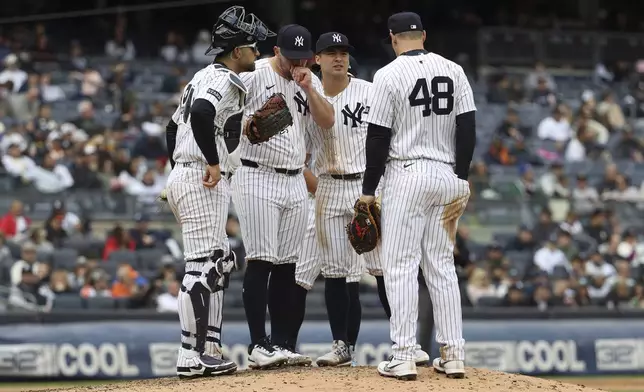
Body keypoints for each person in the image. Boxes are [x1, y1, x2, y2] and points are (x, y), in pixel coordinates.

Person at [293, 32, 430, 367]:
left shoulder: (371, 92)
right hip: (327, 186)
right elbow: (300, 155)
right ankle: (342, 346)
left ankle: (406, 344)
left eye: (344, 52)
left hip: (367, 187)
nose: (339, 57)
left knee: (383, 270)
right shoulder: (305, 98)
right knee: (336, 273)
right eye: (331, 52)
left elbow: (392, 139)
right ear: (317, 60)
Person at [359, 12, 476, 380]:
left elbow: (377, 137)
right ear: (422, 35)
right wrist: (460, 175)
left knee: (400, 266)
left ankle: (404, 354)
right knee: (441, 267)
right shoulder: (454, 70)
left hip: (406, 173)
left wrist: (367, 189)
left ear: (393, 38)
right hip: (447, 175)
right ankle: (453, 354)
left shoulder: (388, 75)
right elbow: (468, 127)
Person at [163, 6, 274, 379]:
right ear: (237, 51)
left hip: (190, 173)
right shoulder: (223, 79)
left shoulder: (202, 75)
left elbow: (170, 126)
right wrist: (209, 162)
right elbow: (199, 114)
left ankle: (209, 346)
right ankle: (190, 355)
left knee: (222, 260)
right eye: (253, 47)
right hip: (201, 176)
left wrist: (176, 168)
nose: (257, 53)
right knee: (202, 266)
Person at [233, 24, 334, 369]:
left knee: (287, 266)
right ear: (276, 52)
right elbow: (226, 118)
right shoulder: (253, 75)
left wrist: (310, 88)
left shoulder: (309, 80)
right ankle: (257, 344)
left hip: (295, 178)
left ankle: (280, 344)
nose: (297, 63)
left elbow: (327, 120)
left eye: (303, 57)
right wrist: (246, 125)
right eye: (291, 58)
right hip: (256, 173)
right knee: (261, 259)